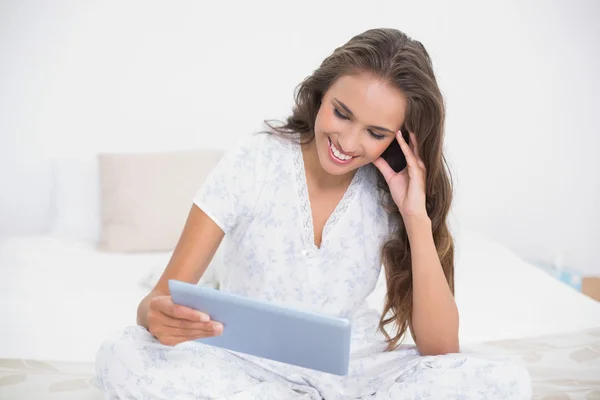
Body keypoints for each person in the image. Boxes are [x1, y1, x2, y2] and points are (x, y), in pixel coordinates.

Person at [95, 28, 532, 399]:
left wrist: (415, 216)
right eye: (342, 113)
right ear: (320, 95)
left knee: (505, 380)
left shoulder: (386, 194)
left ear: (398, 141)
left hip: (354, 372)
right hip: (240, 367)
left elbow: (441, 349)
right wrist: (159, 317)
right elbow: (153, 304)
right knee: (122, 354)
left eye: (376, 133)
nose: (348, 142)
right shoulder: (254, 161)